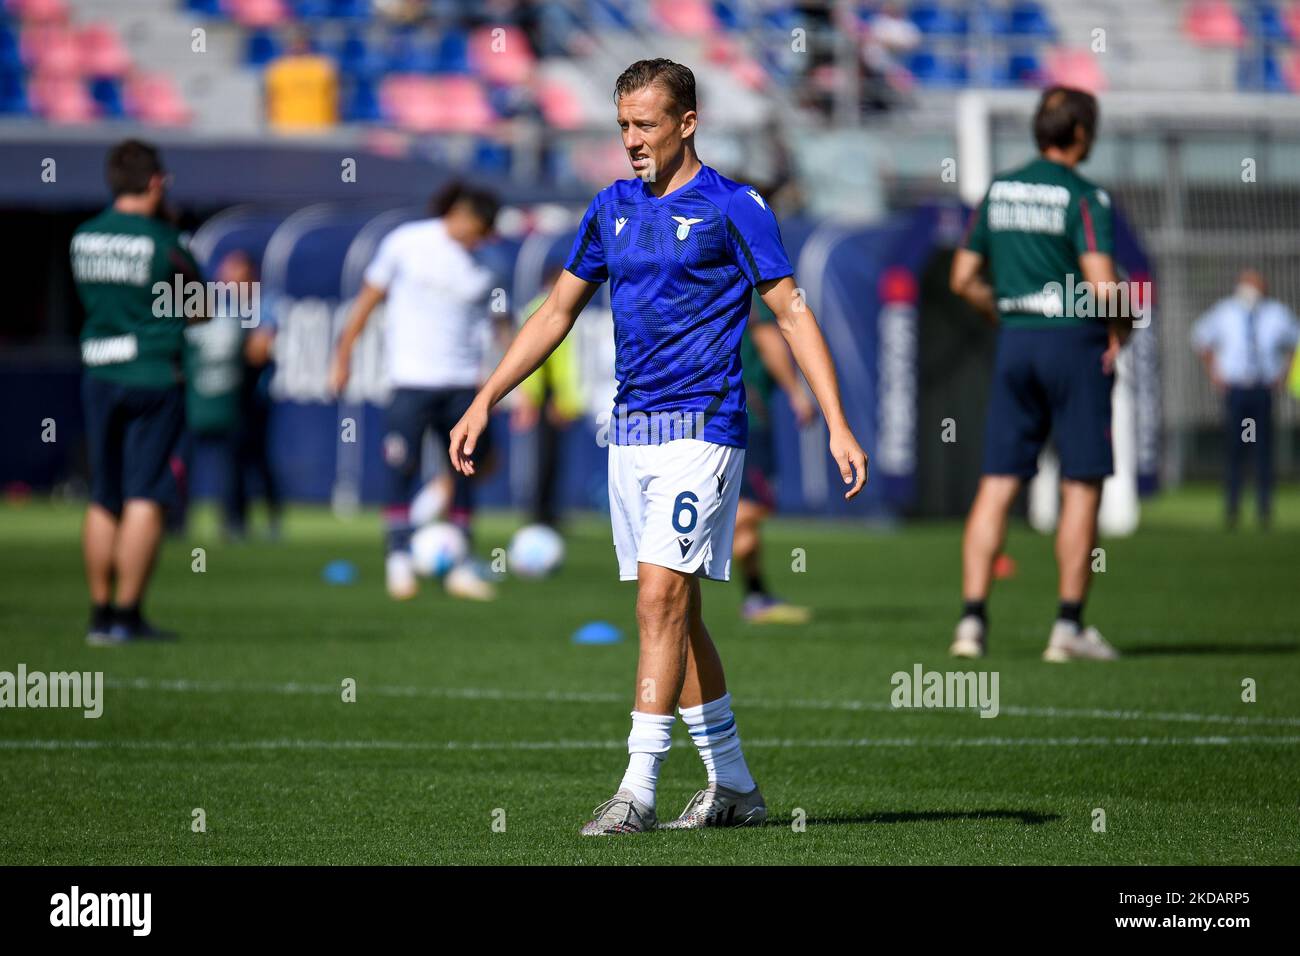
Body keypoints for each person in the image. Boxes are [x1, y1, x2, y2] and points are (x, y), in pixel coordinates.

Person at [448, 59, 868, 835]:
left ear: (688, 121)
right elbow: (552, 314)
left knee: (657, 602)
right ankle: (735, 788)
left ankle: (635, 792)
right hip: (630, 434)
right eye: (622, 127)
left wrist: (837, 420)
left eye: (645, 125)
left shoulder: (736, 207)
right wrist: (485, 397)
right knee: (679, 613)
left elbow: (794, 315)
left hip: (704, 430)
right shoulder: (610, 207)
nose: (632, 141)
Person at [948, 86, 1131, 663]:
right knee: (1081, 483)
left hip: (1017, 341)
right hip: (1072, 342)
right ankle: (1068, 628)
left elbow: (962, 279)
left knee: (998, 483)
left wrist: (1003, 311)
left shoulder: (999, 189)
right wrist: (1124, 325)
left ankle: (971, 625)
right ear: (1080, 133)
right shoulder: (1084, 195)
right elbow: (1103, 289)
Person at [330, 181, 503, 601]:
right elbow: (369, 298)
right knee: (400, 468)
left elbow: (501, 322)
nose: (481, 239)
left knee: (465, 472)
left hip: (465, 384)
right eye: (479, 228)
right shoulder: (406, 243)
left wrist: (505, 378)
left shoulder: (487, 263)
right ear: (460, 215)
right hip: (410, 380)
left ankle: (460, 565)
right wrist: (344, 353)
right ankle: (398, 561)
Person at [73, 139, 205, 644]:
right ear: (155, 182)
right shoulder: (164, 241)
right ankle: (128, 615)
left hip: (99, 372)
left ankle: (99, 613)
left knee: (103, 494)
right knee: (145, 492)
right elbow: (199, 308)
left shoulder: (83, 236)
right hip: (152, 373)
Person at [1192, 269, 1299, 529]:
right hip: (1236, 391)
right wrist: (1215, 373)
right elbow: (1200, 338)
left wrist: (1284, 374)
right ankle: (1233, 506)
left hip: (1262, 390)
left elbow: (1295, 341)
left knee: (1263, 449)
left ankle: (1264, 507)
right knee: (1236, 448)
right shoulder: (1225, 312)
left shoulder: (1276, 313)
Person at [735, 291, 816, 623]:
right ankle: (684, 548)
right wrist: (797, 393)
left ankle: (756, 595)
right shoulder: (754, 284)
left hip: (709, 416)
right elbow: (768, 340)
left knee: (746, 513)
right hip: (746, 417)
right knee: (752, 507)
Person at [512, 267, 583, 528]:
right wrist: (532, 398)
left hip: (555, 395)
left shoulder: (563, 308)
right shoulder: (541, 308)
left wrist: (566, 400)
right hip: (545, 396)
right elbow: (531, 360)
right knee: (542, 456)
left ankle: (548, 510)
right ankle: (539, 511)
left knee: (554, 457)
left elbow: (564, 363)